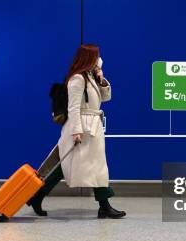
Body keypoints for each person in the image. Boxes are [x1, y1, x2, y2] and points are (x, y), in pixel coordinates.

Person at [26, 44, 126, 219]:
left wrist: (101, 79)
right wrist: (76, 132)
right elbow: (73, 108)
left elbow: (105, 98)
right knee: (70, 166)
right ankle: (104, 206)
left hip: (91, 127)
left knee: (92, 167)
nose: (99, 59)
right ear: (89, 58)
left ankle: (103, 206)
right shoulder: (77, 79)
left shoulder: (90, 77)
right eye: (97, 56)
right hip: (82, 128)